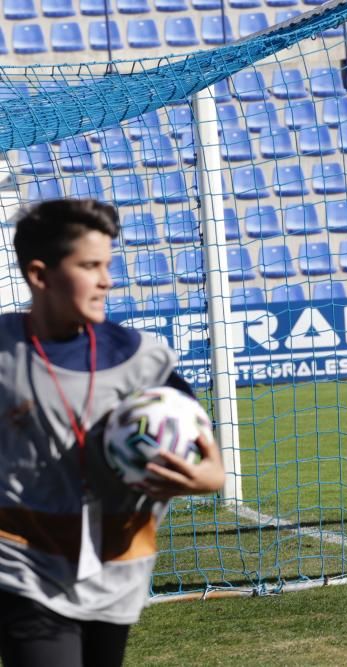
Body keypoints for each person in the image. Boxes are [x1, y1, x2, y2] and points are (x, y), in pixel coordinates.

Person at [0, 198, 225, 667]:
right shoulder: (4, 351)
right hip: (25, 567)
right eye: (90, 266)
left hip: (119, 564)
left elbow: (204, 449)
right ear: (39, 275)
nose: (108, 280)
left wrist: (209, 478)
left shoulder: (141, 357)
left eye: (108, 264)